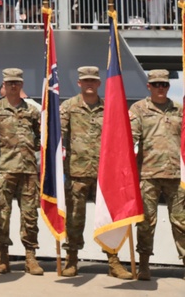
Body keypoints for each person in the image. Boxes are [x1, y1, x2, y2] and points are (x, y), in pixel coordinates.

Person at [58, 66, 132, 279]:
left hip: (105, 175)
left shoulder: (110, 107)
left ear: (99, 84)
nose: (89, 84)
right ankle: (71, 259)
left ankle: (113, 261)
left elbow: (120, 136)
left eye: (93, 80)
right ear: (79, 83)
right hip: (77, 173)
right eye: (85, 80)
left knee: (110, 218)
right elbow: (58, 136)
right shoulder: (68, 107)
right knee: (74, 219)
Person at [128, 69, 184, 280]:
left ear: (168, 86)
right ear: (149, 86)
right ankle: (144, 265)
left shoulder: (179, 109)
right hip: (148, 174)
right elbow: (130, 138)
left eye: (164, 85)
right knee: (146, 223)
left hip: (177, 176)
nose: (161, 88)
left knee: (181, 222)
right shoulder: (139, 109)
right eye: (157, 84)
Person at [0, 68, 43, 275]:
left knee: (30, 216)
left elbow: (40, 138)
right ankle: (3, 256)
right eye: (10, 82)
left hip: (29, 171)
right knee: (3, 215)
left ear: (21, 85)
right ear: (4, 85)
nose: (13, 86)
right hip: (4, 170)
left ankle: (30, 257)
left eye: (17, 82)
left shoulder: (32, 111)